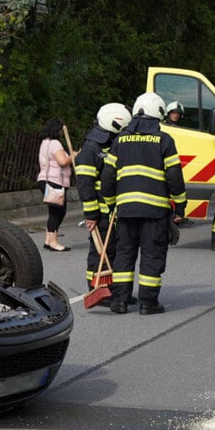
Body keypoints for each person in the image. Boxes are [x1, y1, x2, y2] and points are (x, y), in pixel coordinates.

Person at [100, 92, 186, 315]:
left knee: (124, 253)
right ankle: (148, 303)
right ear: (157, 113)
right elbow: (174, 176)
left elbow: (108, 176)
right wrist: (181, 205)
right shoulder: (164, 140)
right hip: (154, 211)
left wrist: (111, 205)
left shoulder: (120, 141)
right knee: (152, 254)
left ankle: (120, 301)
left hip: (126, 210)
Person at [76, 102, 131, 293]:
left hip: (115, 211)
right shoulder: (91, 149)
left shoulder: (110, 145)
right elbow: (85, 184)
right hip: (100, 214)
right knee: (100, 252)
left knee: (116, 251)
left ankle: (114, 290)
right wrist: (91, 214)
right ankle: (96, 288)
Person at [37, 118, 74, 252]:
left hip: (45, 180)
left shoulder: (44, 143)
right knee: (58, 212)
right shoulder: (55, 144)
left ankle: (49, 239)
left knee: (54, 211)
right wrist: (74, 156)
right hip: (55, 181)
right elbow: (63, 161)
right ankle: (53, 242)